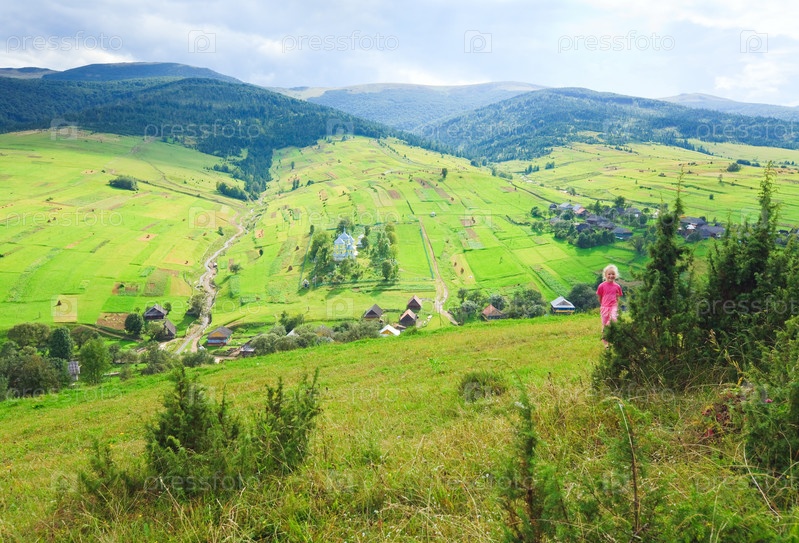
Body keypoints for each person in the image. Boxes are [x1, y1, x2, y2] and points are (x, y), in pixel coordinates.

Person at [596, 264, 623, 347]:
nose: (611, 276)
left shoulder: (617, 286)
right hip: (604, 307)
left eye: (613, 274)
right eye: (609, 274)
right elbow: (600, 297)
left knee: (613, 319)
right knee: (604, 325)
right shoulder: (601, 286)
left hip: (613, 307)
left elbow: (618, 297)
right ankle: (606, 343)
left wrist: (616, 306)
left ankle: (612, 336)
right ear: (605, 275)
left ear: (616, 275)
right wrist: (603, 305)